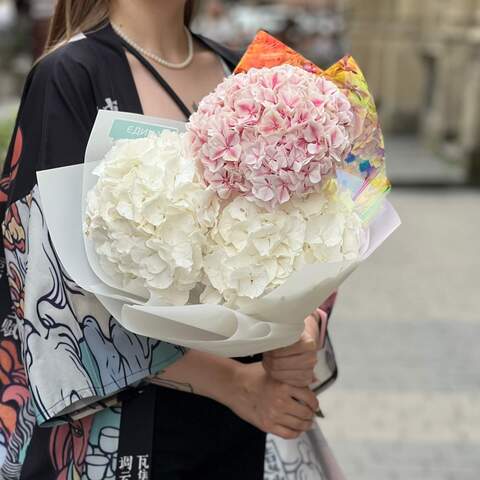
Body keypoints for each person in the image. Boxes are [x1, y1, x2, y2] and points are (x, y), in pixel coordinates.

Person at [0, 1, 336, 478]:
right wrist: (233, 384)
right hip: (123, 433)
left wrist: (303, 328)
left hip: (249, 429)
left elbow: (313, 232)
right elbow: (52, 292)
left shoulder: (250, 74)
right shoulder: (70, 76)